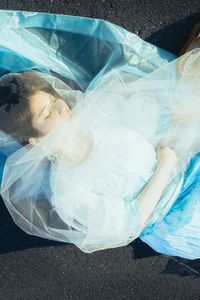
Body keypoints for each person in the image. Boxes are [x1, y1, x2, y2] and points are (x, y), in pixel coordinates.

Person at [0, 11, 199, 258]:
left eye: (53, 98)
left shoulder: (97, 113)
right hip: (179, 220)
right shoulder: (67, 190)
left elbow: (157, 116)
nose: (61, 107)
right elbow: (131, 222)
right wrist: (165, 167)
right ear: (35, 140)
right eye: (46, 113)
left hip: (192, 169)